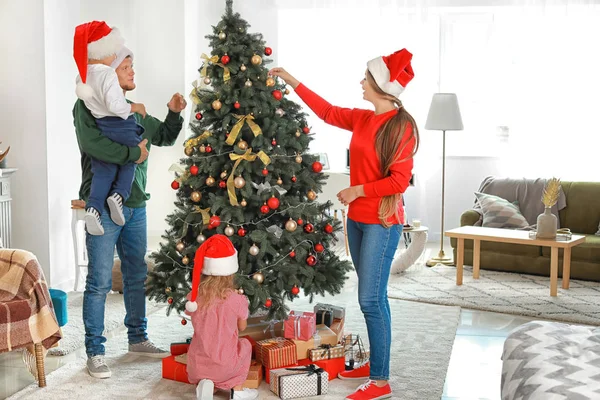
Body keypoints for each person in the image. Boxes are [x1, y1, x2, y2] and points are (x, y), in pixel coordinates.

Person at [269, 48, 419, 400]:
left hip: (383, 223)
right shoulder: (365, 119)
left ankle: (380, 381)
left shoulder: (401, 127)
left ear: (382, 87)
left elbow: (399, 181)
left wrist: (357, 190)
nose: (361, 83)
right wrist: (293, 81)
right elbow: (327, 112)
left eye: (366, 79)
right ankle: (377, 365)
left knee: (370, 299)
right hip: (359, 221)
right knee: (373, 297)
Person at [73, 43, 187, 379]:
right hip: (103, 208)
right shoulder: (87, 105)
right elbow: (92, 145)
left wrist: (174, 112)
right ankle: (95, 351)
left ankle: (137, 338)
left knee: (136, 275)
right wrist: (133, 156)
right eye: (127, 67)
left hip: (135, 206)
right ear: (110, 72)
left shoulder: (134, 111)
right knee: (98, 282)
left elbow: (164, 136)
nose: (133, 72)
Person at [73, 21, 147, 236]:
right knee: (131, 160)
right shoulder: (107, 75)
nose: (114, 57)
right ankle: (118, 195)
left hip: (103, 126)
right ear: (103, 51)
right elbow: (116, 107)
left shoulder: (83, 77)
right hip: (119, 124)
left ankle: (93, 209)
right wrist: (134, 107)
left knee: (103, 172)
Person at [185, 235, 258, 400]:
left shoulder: (194, 298)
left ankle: (207, 384)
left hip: (198, 366)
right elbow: (242, 327)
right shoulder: (237, 300)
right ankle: (237, 390)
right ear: (230, 273)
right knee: (245, 345)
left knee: (200, 347)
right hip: (225, 366)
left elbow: (191, 315)